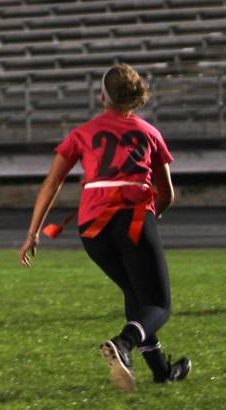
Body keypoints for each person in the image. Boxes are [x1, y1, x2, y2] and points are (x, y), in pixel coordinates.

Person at [18, 64, 191, 393]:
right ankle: (122, 344)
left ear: (102, 96)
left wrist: (33, 233)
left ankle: (161, 371)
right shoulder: (149, 132)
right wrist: (153, 216)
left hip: (92, 228)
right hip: (133, 219)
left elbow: (51, 183)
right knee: (159, 305)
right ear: (136, 97)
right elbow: (167, 193)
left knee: (135, 295)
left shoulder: (82, 133)